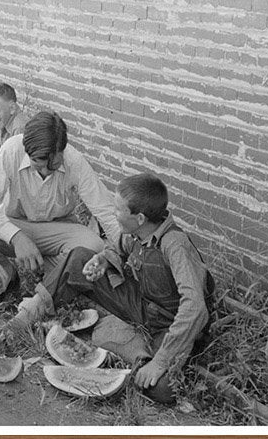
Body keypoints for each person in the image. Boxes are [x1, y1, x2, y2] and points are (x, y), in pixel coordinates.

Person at [15, 172, 216, 405]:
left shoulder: (175, 245)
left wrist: (161, 362)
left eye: (119, 209)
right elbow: (117, 248)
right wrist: (102, 260)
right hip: (142, 305)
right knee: (79, 257)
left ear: (139, 218)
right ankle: (27, 315)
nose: (114, 213)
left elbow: (195, 308)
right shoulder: (136, 233)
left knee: (163, 388)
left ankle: (137, 354)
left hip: (170, 323)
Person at [0, 110, 121, 301]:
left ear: (62, 150)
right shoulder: (12, 149)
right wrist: (16, 237)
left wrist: (128, 254)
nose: (46, 171)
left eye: (53, 165)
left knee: (94, 247)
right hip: (15, 224)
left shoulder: (74, 161)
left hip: (57, 230)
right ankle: (7, 277)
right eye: (37, 163)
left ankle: (47, 274)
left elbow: (106, 212)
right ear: (27, 150)